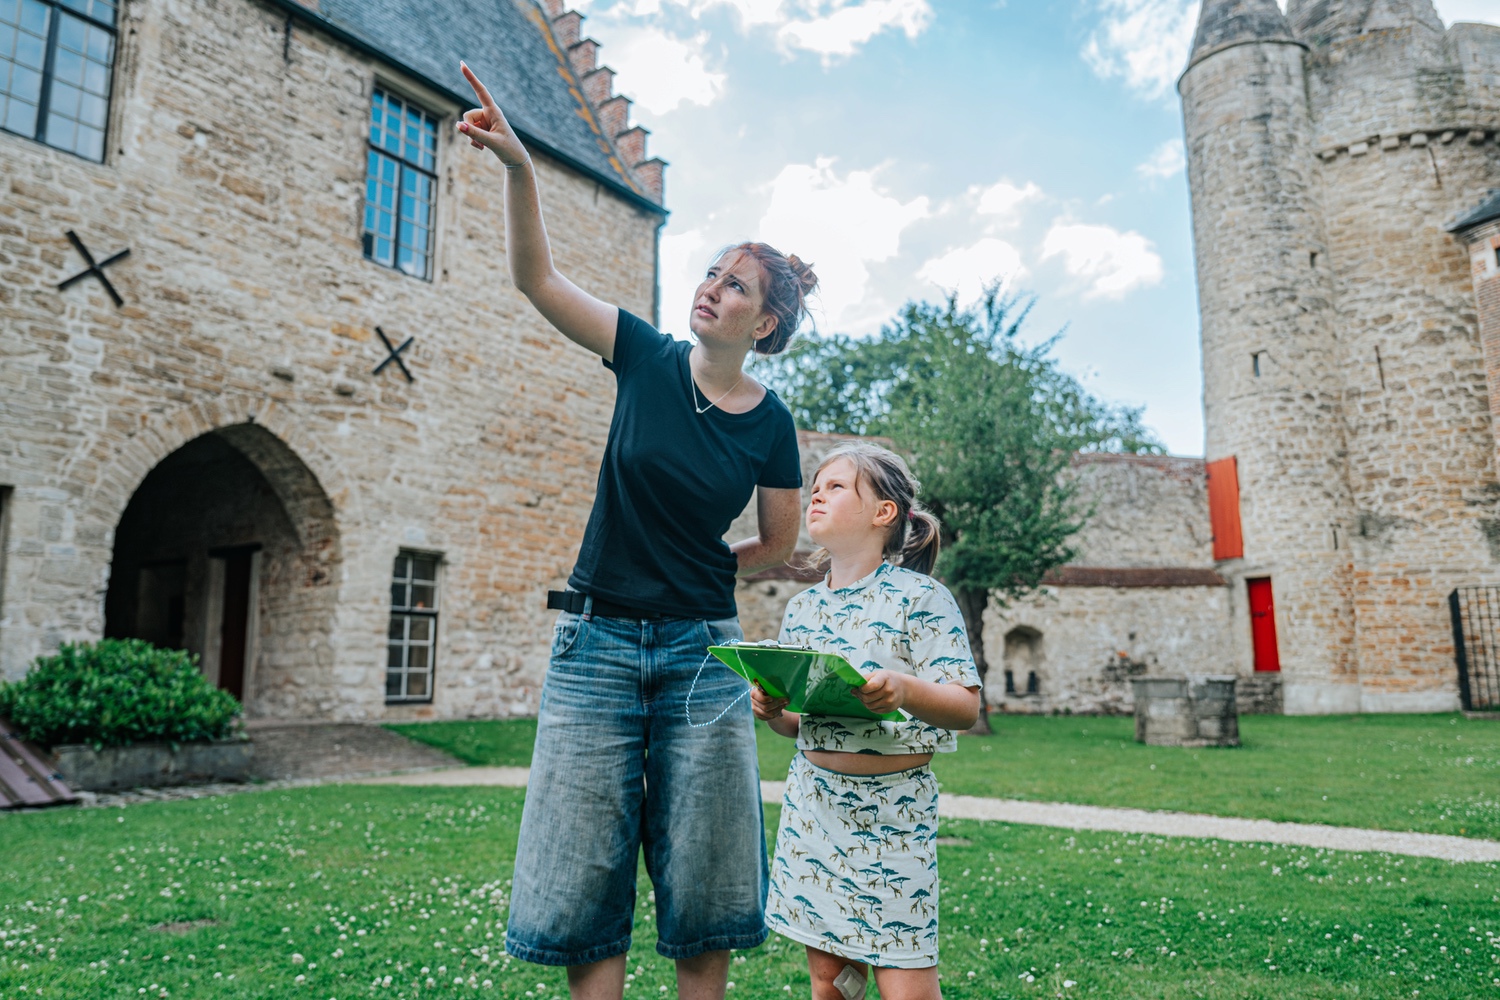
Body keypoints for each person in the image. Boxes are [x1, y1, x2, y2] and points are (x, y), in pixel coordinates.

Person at [453, 63, 817, 1000]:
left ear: (765, 320)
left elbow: (777, 547)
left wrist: (706, 567)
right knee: (582, 875)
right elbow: (537, 280)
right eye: (709, 272)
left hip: (703, 654)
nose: (710, 289)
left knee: (708, 875)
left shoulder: (771, 424)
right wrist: (520, 170)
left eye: (735, 286)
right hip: (597, 644)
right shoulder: (644, 356)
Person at [752, 443, 982, 1000]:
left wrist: (903, 688)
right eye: (816, 486)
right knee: (831, 982)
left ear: (883, 513)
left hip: (890, 817)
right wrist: (775, 711)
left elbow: (966, 705)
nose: (817, 494)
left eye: (835, 487)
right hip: (813, 807)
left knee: (904, 979)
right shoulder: (802, 609)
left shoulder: (922, 598)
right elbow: (800, 725)